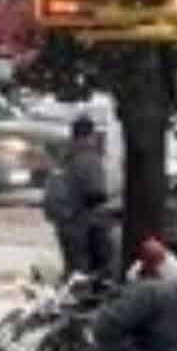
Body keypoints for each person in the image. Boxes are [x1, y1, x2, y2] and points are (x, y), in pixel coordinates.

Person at [42, 118, 116, 279]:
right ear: (91, 135)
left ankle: (69, 299)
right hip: (84, 225)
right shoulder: (90, 158)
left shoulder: (66, 157)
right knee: (90, 273)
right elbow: (96, 193)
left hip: (65, 224)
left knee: (73, 271)